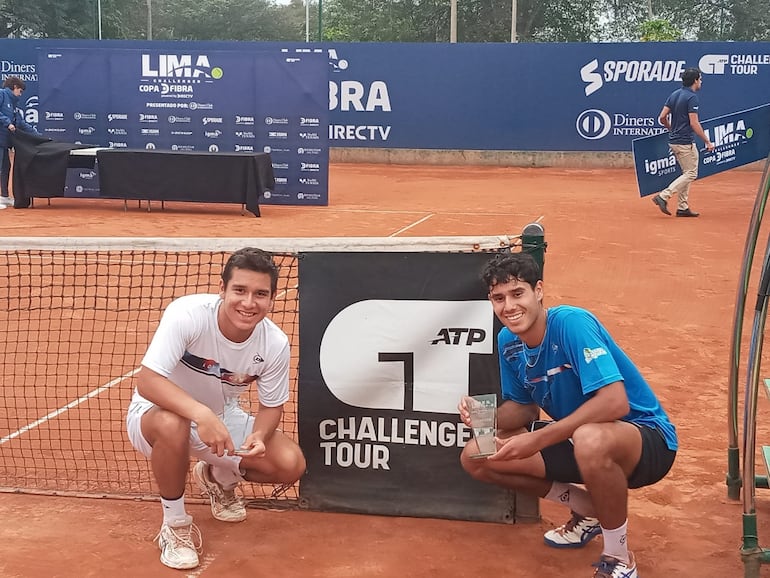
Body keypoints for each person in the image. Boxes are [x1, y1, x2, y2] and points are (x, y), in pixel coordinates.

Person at [458, 252, 677, 578]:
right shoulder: (507, 340)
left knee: (589, 437)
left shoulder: (571, 322)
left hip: (646, 441)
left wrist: (539, 438)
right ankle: (588, 509)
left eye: (518, 293)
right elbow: (524, 408)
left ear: (539, 291)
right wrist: (485, 417)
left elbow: (615, 403)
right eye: (498, 298)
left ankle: (619, 558)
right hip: (578, 439)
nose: (509, 306)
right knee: (478, 455)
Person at [126, 247, 306, 570]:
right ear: (221, 289)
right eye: (239, 290)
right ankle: (175, 525)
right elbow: (148, 382)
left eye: (260, 294)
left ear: (272, 298)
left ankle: (215, 476)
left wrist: (260, 436)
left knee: (290, 462)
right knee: (173, 425)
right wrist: (201, 414)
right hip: (156, 415)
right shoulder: (188, 314)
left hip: (220, 417)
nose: (248, 303)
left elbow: (271, 406)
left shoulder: (274, 343)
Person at [651, 67, 715, 218]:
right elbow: (694, 123)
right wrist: (707, 141)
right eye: (700, 79)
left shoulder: (675, 94)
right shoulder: (692, 97)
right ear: (695, 81)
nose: (701, 82)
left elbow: (662, 117)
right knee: (691, 173)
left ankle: (683, 207)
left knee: (687, 173)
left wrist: (672, 129)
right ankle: (664, 196)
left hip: (675, 141)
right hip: (684, 142)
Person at [0, 76, 37, 209]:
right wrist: (7, 122)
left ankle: (3, 196)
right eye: (20, 91)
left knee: (5, 168)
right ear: (14, 87)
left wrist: (38, 136)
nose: (20, 94)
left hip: (4, 142)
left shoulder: (13, 103)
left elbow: (21, 123)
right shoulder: (2, 94)